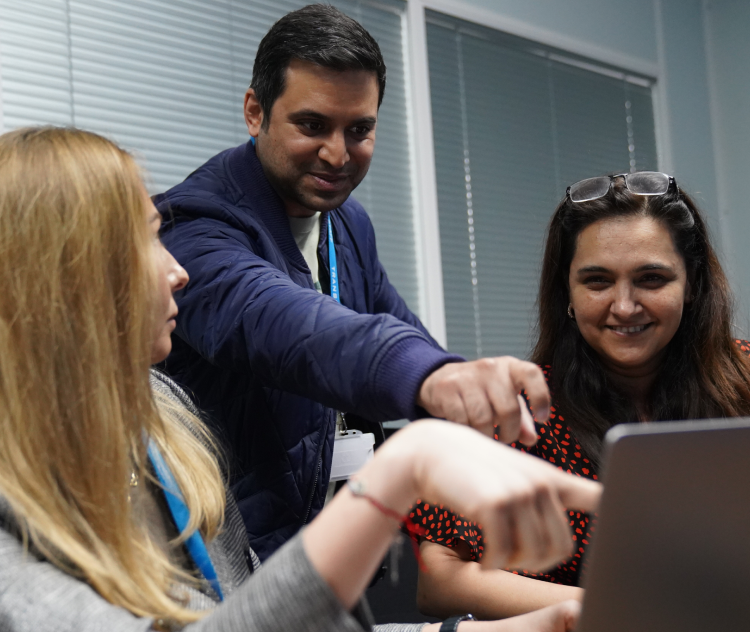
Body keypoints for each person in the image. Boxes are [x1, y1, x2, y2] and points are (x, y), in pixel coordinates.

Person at [0, 126, 601, 631]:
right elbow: (294, 329)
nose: (177, 271)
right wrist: (401, 469)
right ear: (66, 276)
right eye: (148, 239)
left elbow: (238, 614)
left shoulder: (159, 414)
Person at [155, 3, 549, 561]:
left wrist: (471, 395)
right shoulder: (190, 224)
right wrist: (426, 376)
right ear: (255, 112)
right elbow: (287, 327)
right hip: (228, 566)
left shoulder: (346, 222)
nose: (338, 155)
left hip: (328, 551)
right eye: (312, 125)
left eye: (359, 130)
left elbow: (391, 325)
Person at [413, 171, 750, 620]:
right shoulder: (516, 412)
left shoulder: (744, 376)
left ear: (692, 285)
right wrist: (621, 610)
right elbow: (439, 580)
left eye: (651, 278)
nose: (624, 306)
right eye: (597, 281)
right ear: (567, 294)